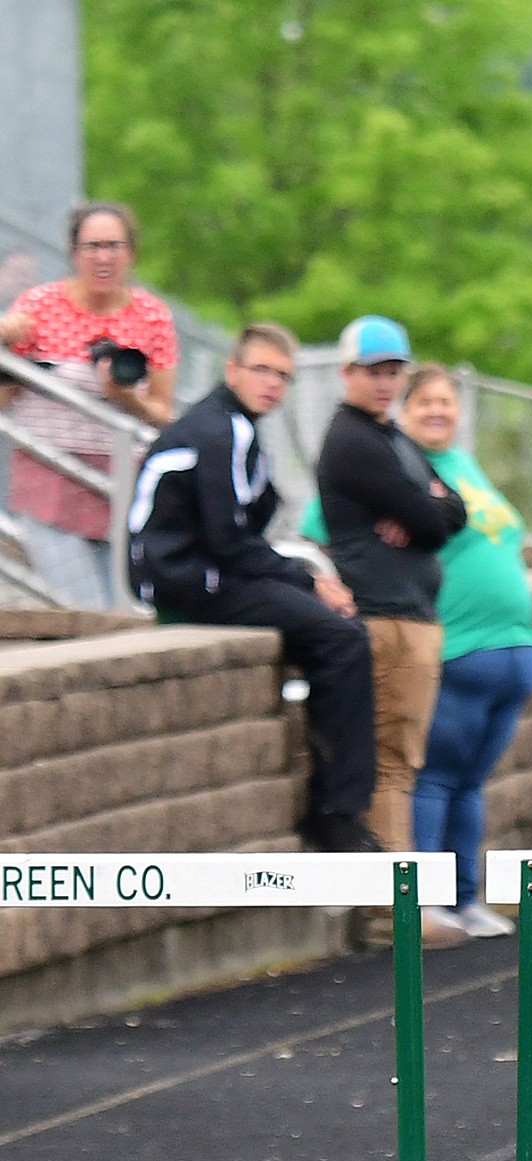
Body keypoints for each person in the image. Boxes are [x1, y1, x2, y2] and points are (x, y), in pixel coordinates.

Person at [312, 365, 532, 943]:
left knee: (468, 782)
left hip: (511, 649)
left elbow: (458, 517)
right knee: (428, 775)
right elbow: (321, 530)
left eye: (446, 402)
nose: (437, 411)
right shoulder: (392, 463)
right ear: (404, 412)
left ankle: (464, 898)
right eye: (424, 403)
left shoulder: (462, 467)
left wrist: (434, 508)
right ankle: (427, 904)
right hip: (451, 644)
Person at [128, 324, 379, 853]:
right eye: (262, 370)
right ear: (232, 371)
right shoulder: (221, 430)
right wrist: (309, 580)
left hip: (207, 569)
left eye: (283, 376)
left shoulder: (237, 425)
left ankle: (337, 800)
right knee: (343, 640)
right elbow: (229, 542)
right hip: (188, 580)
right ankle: (335, 816)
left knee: (338, 631)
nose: (273, 385)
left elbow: (250, 522)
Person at [315, 315, 467, 854]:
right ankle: (394, 908)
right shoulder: (353, 440)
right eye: (373, 371)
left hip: (411, 615)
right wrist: (425, 505)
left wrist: (428, 503)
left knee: (403, 760)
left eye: (393, 371)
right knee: (391, 761)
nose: (384, 382)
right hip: (385, 618)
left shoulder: (391, 435)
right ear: (347, 372)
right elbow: (431, 519)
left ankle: (402, 900)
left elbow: (454, 511)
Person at [0, 202, 178, 608]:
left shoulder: (151, 316)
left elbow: (164, 413)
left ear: (131, 252)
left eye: (114, 246)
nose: (103, 258)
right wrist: (5, 341)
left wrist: (125, 397)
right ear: (73, 252)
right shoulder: (38, 306)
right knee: (88, 609)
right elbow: (5, 399)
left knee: (122, 609)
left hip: (118, 483)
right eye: (92, 246)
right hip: (50, 475)